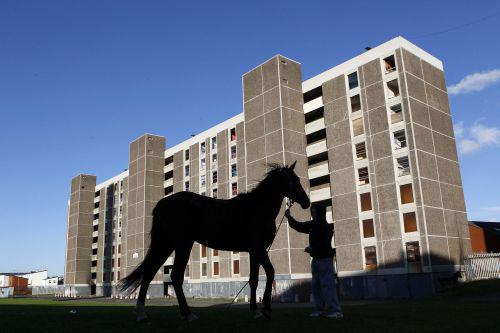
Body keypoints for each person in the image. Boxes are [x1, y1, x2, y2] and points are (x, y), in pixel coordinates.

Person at [285, 204, 343, 319]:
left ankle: (336, 311)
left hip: (325, 259)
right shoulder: (312, 225)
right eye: (312, 211)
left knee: (328, 285)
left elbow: (325, 244)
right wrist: (289, 217)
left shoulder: (326, 227)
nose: (313, 213)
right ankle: (320, 310)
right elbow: (298, 226)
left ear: (321, 212)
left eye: (315, 211)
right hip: (316, 260)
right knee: (316, 286)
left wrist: (313, 248)